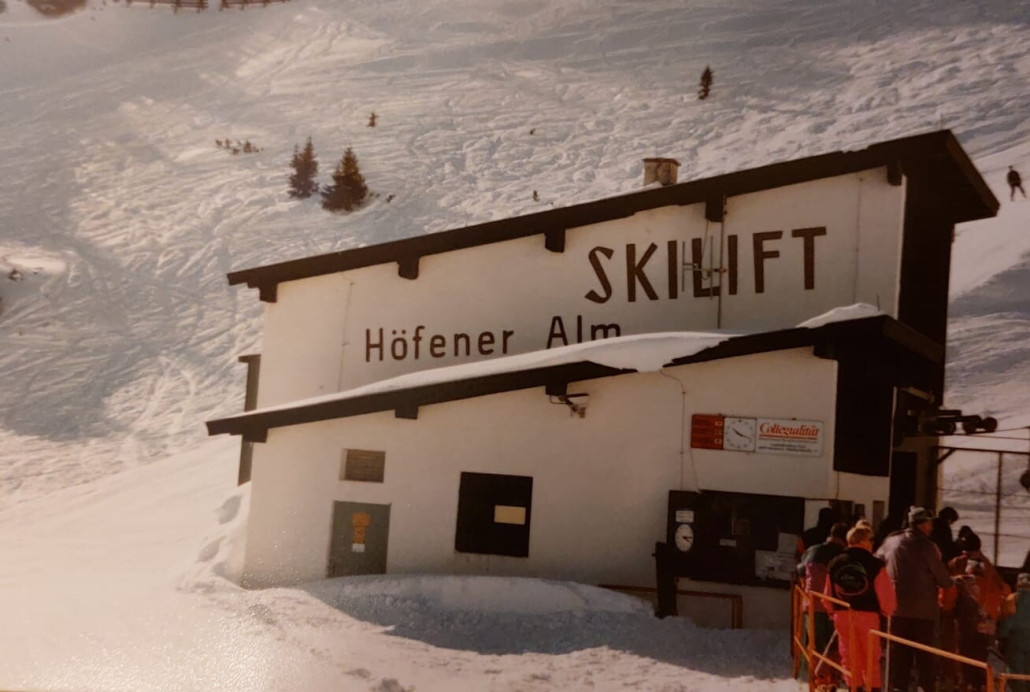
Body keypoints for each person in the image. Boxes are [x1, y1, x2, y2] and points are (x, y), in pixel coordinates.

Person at [876, 506, 954, 692]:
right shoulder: (928, 547)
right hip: (924, 612)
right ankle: (925, 687)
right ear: (921, 524)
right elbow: (943, 579)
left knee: (898, 654)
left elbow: (877, 561)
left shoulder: (891, 541)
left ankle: (897, 688)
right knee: (925, 656)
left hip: (896, 609)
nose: (932, 527)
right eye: (929, 523)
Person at [826, 525, 896, 692]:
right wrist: (888, 612)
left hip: (842, 615)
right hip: (868, 616)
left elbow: (828, 593)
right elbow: (886, 596)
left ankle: (854, 688)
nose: (873, 543)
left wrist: (831, 611)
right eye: (871, 540)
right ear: (864, 541)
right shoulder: (875, 564)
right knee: (871, 657)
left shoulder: (835, 562)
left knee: (849, 656)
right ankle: (873, 688)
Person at [798, 522, 849, 684]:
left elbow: (800, 571)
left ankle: (816, 680)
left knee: (815, 644)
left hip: (812, 604)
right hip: (834, 606)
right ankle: (832, 678)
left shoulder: (812, 550)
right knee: (833, 645)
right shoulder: (844, 555)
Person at [999, 573, 1030, 692]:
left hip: (1016, 644)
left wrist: (1000, 635)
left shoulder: (1013, 599)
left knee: (1016, 677)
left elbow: (1008, 624)